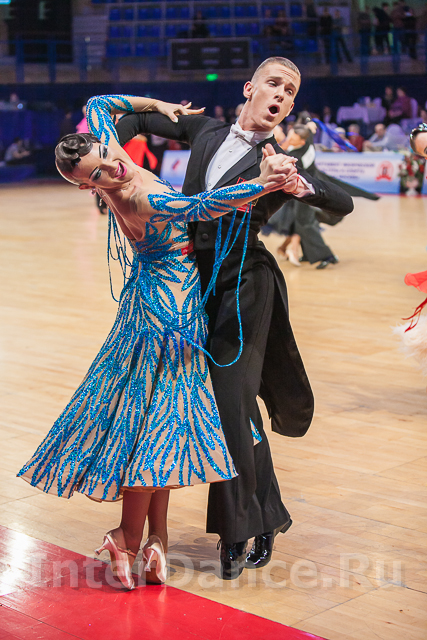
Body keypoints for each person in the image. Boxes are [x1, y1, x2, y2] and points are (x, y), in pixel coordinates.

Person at [17, 93, 294, 590]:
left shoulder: (111, 153)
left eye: (106, 155)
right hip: (169, 313)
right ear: (87, 187)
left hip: (155, 300)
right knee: (155, 424)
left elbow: (100, 102)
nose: (112, 168)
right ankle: (128, 536)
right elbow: (203, 206)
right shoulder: (141, 199)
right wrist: (263, 182)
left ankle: (153, 541)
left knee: (157, 422)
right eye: (97, 176)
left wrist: (160, 106)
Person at [116, 57, 354, 579]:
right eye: (274, 83)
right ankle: (266, 515)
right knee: (234, 409)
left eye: (290, 91)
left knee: (229, 405)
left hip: (246, 287)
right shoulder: (204, 131)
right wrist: (118, 143)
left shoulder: (281, 159)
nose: (281, 95)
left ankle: (236, 528)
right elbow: (129, 120)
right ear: (250, 88)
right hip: (191, 286)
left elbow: (341, 202)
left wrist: (298, 185)